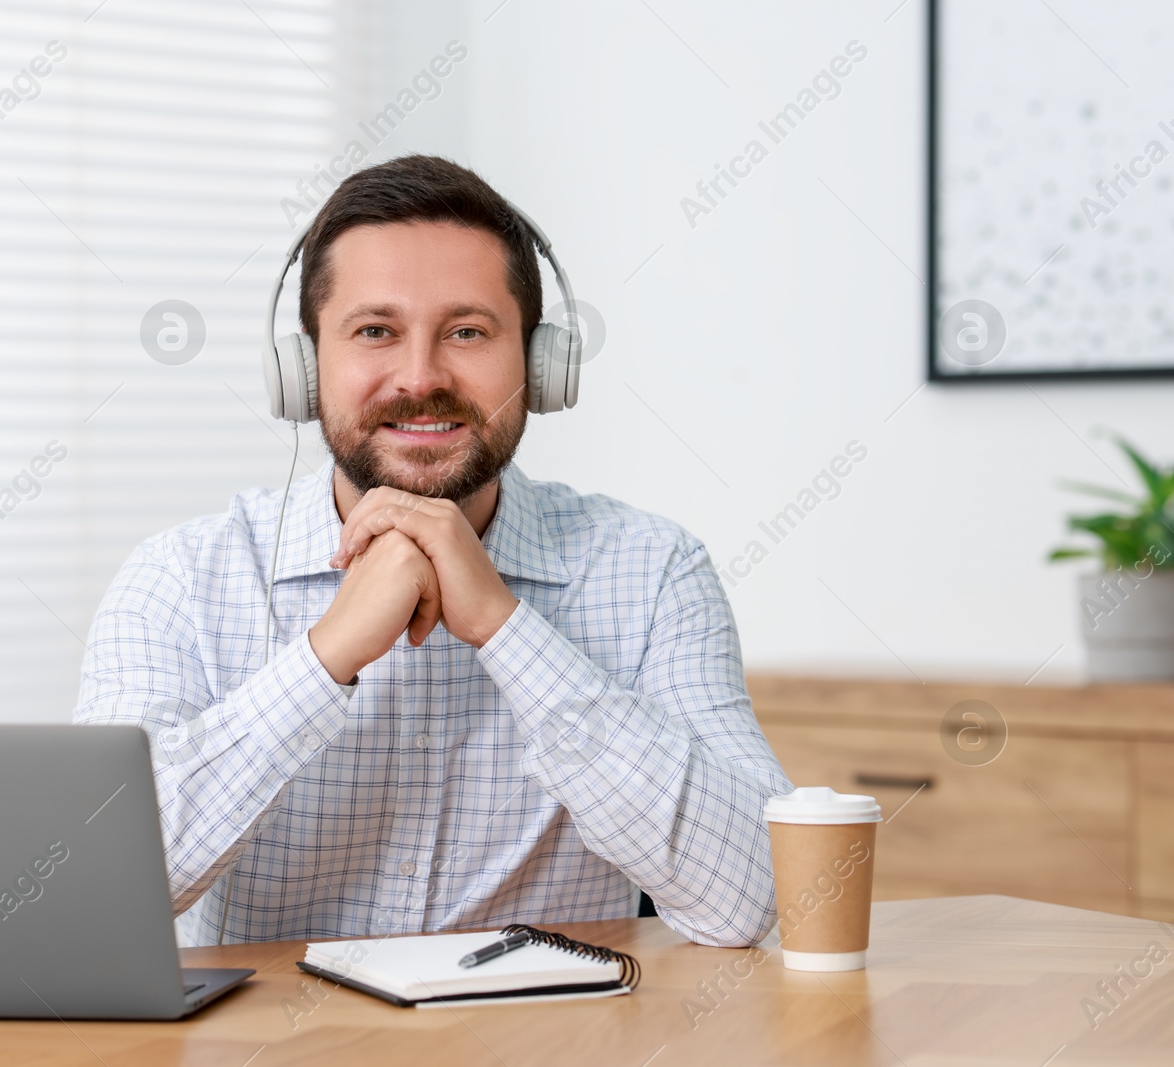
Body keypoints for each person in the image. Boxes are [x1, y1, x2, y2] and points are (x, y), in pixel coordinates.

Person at [75, 154, 793, 948]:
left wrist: (507, 628)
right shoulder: (180, 578)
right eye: (375, 331)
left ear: (542, 365)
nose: (420, 377)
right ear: (306, 368)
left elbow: (753, 898)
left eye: (468, 331)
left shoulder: (653, 571)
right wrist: (326, 656)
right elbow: (98, 892)